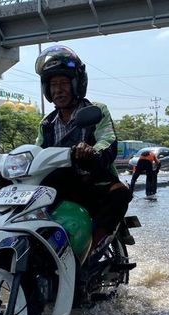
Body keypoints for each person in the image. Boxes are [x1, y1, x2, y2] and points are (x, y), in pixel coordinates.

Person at [33, 45, 131, 249]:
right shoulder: (46, 123)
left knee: (120, 192)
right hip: (61, 184)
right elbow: (36, 153)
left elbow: (107, 139)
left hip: (93, 181)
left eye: (63, 83)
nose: (58, 90)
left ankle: (92, 249)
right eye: (53, 85)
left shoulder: (95, 110)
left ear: (77, 83)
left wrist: (92, 152)